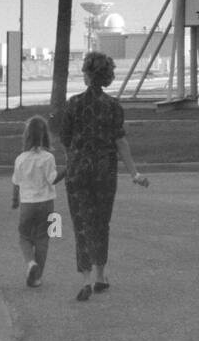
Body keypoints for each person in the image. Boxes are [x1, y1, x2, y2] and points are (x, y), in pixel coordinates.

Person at [58, 51, 149, 302]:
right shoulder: (113, 107)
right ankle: (100, 275)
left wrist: (74, 157)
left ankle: (85, 279)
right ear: (107, 77)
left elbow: (65, 138)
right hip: (104, 173)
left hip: (77, 173)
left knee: (82, 224)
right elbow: (121, 142)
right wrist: (134, 173)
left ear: (87, 75)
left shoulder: (73, 104)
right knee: (101, 223)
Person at [11, 115, 65, 288]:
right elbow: (53, 179)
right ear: (45, 136)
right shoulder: (48, 157)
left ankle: (30, 263)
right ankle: (37, 276)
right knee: (44, 238)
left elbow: (16, 182)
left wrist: (14, 200)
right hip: (47, 203)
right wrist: (67, 170)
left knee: (24, 237)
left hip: (27, 204)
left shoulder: (20, 159)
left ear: (26, 136)